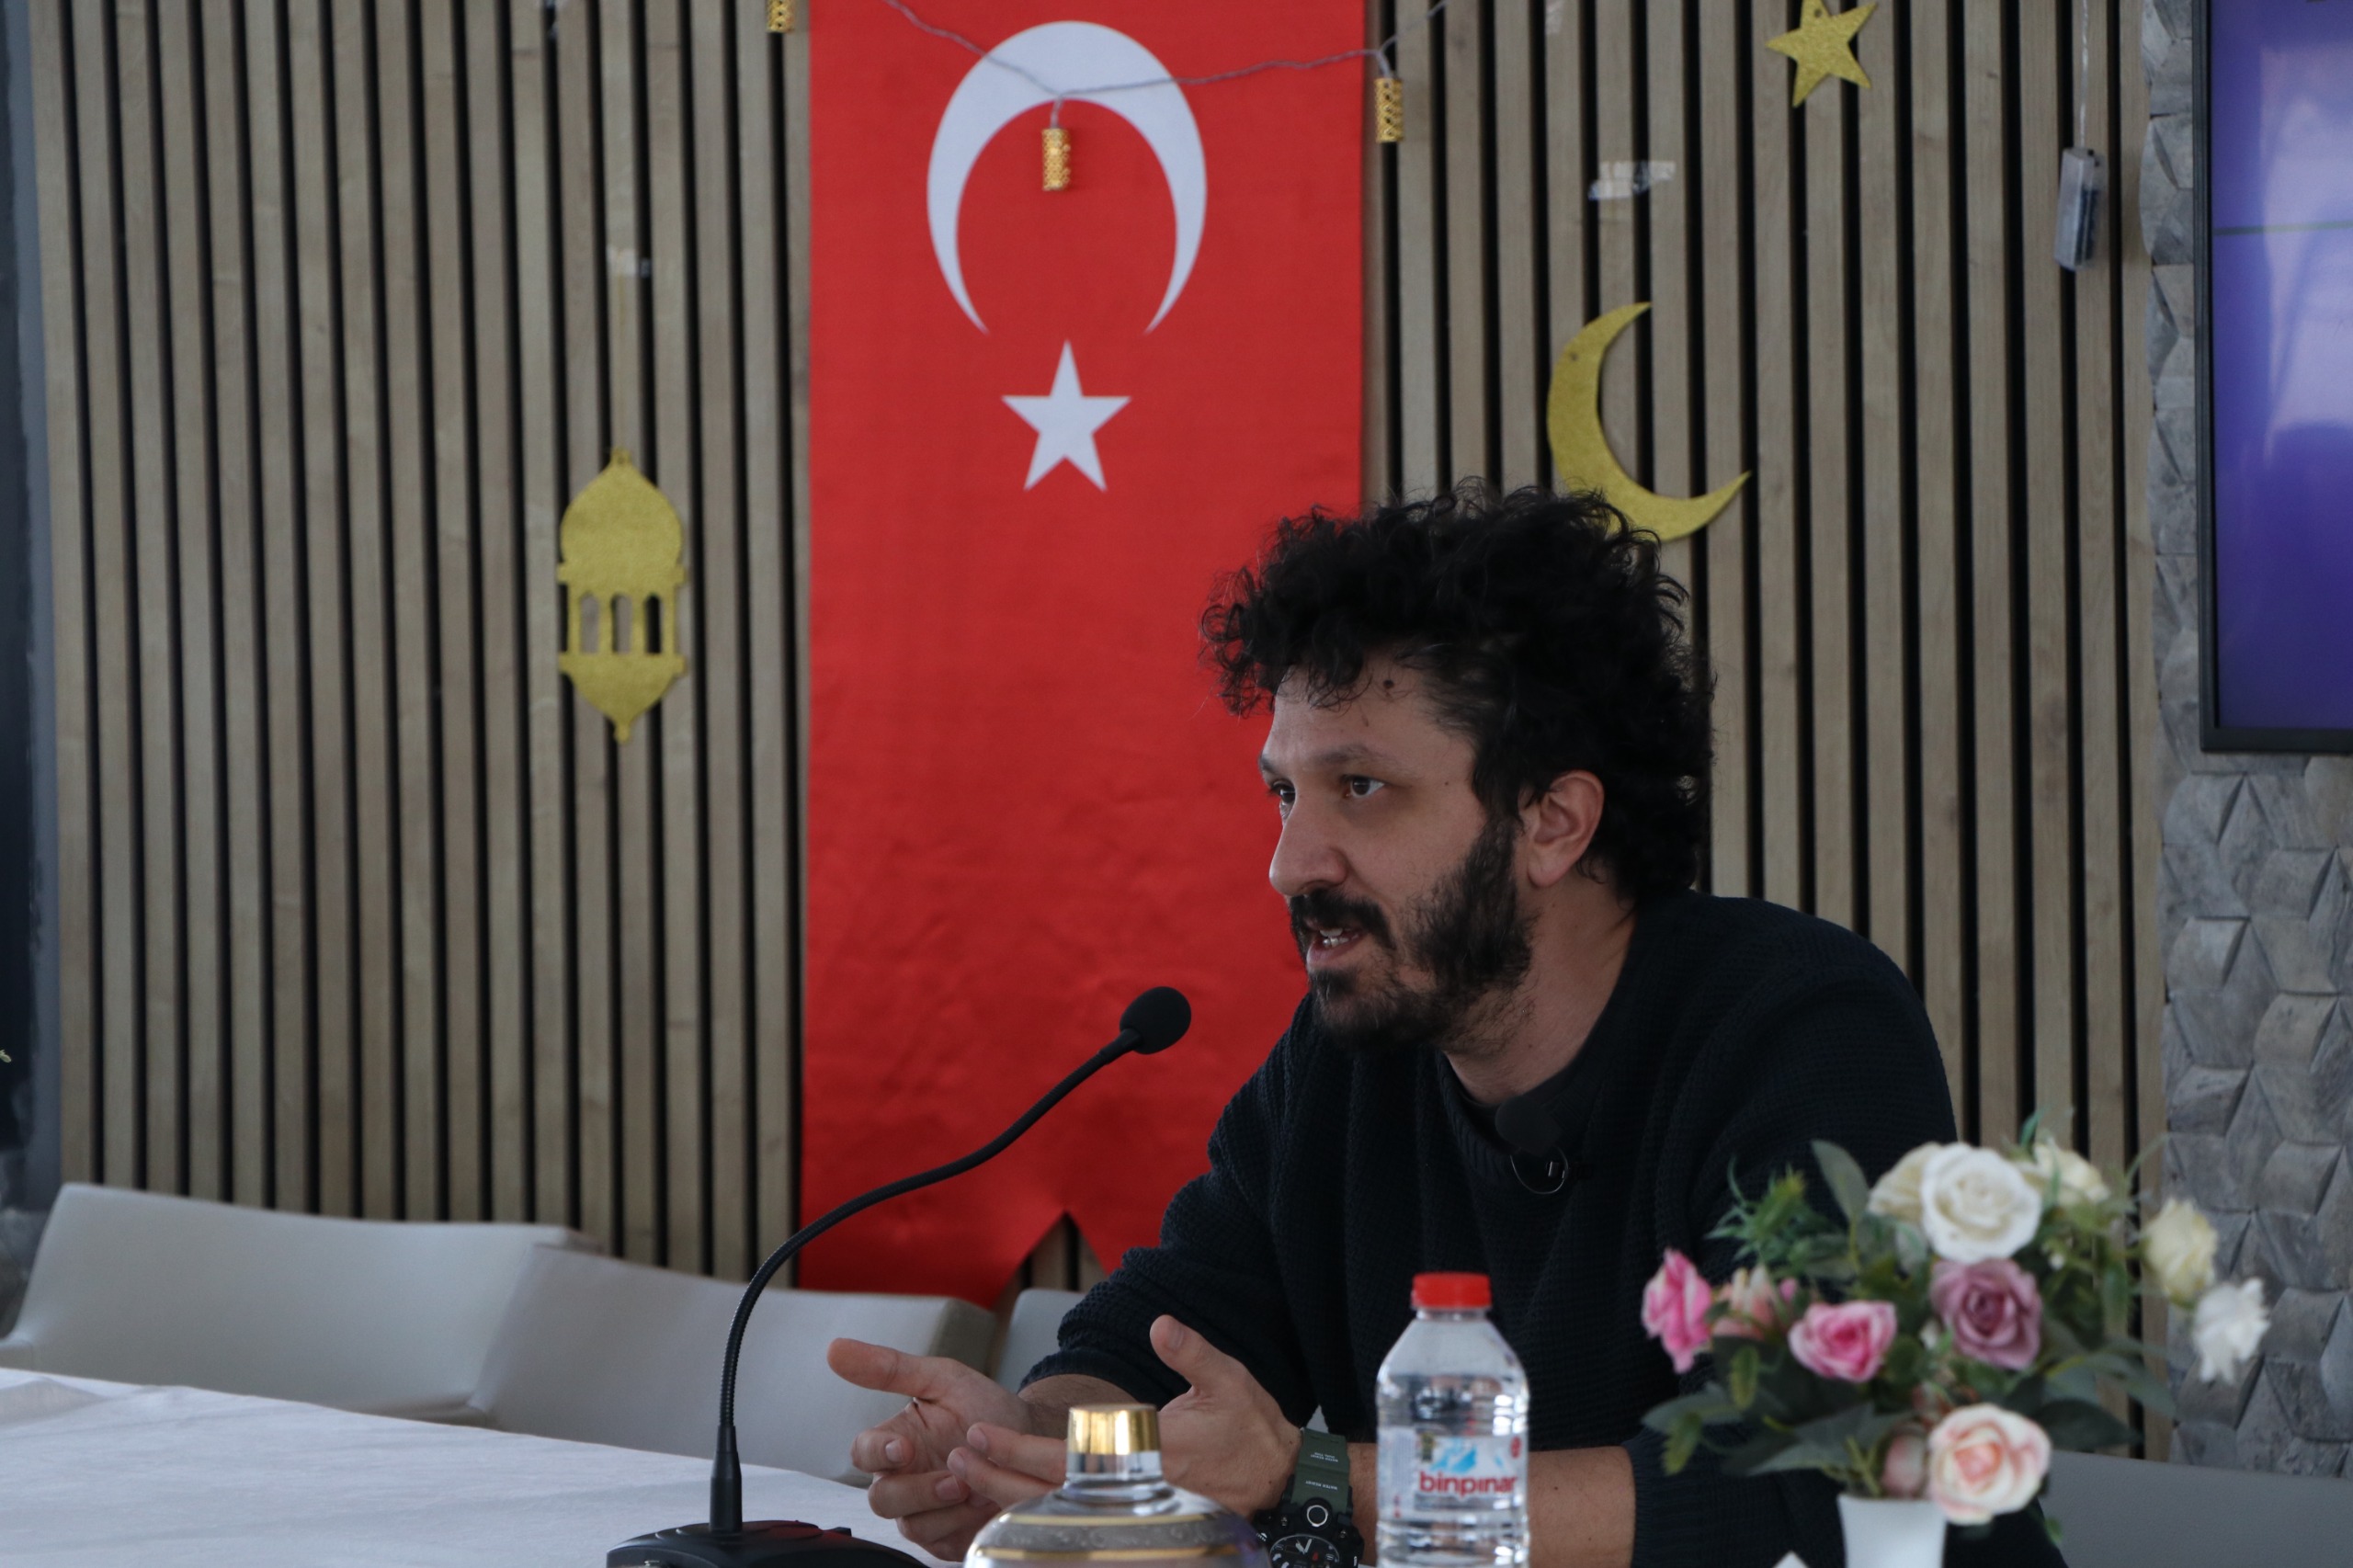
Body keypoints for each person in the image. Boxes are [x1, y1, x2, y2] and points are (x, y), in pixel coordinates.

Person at [824, 485, 2063, 1567]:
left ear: (1552, 823)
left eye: (1361, 787)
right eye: (1284, 793)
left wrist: (1313, 1480)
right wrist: (1029, 1443)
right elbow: (1157, 1337)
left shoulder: (1803, 1030)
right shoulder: (1351, 1057)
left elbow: (1810, 1478)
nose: (1290, 863)